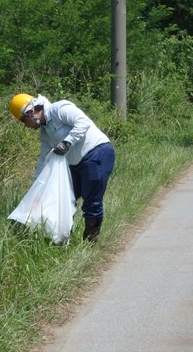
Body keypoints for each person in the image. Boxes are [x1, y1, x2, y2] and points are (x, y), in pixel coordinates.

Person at [9, 93, 115, 242]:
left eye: (24, 121)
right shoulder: (45, 134)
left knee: (91, 202)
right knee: (65, 200)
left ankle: (91, 244)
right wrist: (35, 192)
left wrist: (67, 142)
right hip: (75, 164)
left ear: (30, 112)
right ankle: (62, 240)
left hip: (97, 153)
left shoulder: (60, 109)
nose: (26, 126)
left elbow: (83, 122)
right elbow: (43, 161)